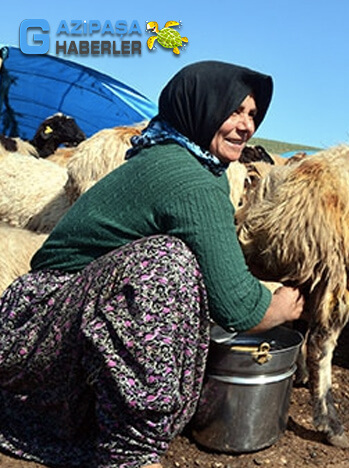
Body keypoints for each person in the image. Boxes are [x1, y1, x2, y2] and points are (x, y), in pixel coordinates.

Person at [0, 61, 304, 467]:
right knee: (167, 263)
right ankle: (129, 450)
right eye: (233, 111)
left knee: (177, 269)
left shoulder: (175, 159)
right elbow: (237, 306)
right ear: (200, 107)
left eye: (252, 115)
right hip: (35, 337)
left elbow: (218, 277)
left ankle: (110, 420)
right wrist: (282, 306)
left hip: (47, 321)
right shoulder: (188, 178)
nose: (246, 126)